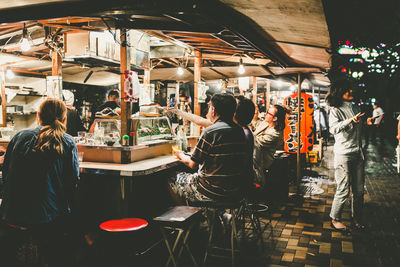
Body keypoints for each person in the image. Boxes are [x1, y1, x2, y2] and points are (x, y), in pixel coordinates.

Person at [0, 98, 80, 266]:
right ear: (64, 118)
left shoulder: (19, 136)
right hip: (46, 216)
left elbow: (6, 172)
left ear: (39, 116)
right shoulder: (67, 141)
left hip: (11, 211)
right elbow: (72, 181)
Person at [169, 93, 248, 203]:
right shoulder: (239, 131)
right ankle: (217, 214)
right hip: (234, 192)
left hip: (210, 192)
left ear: (213, 111)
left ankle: (193, 217)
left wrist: (179, 154)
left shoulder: (211, 131)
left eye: (210, 107)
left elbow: (192, 164)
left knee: (171, 178)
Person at [326, 80, 365, 231]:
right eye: (347, 90)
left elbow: (357, 127)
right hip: (343, 154)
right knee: (343, 188)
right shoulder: (335, 109)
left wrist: (365, 122)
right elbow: (333, 129)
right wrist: (350, 120)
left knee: (359, 190)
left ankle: (357, 218)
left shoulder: (355, 106)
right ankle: (335, 219)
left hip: (358, 152)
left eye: (351, 89)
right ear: (340, 92)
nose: (351, 92)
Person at [252, 104, 286, 187]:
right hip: (255, 160)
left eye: (268, 113)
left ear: (275, 118)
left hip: (262, 165)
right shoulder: (266, 123)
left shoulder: (274, 134)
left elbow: (255, 142)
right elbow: (256, 125)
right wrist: (255, 115)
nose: (265, 114)